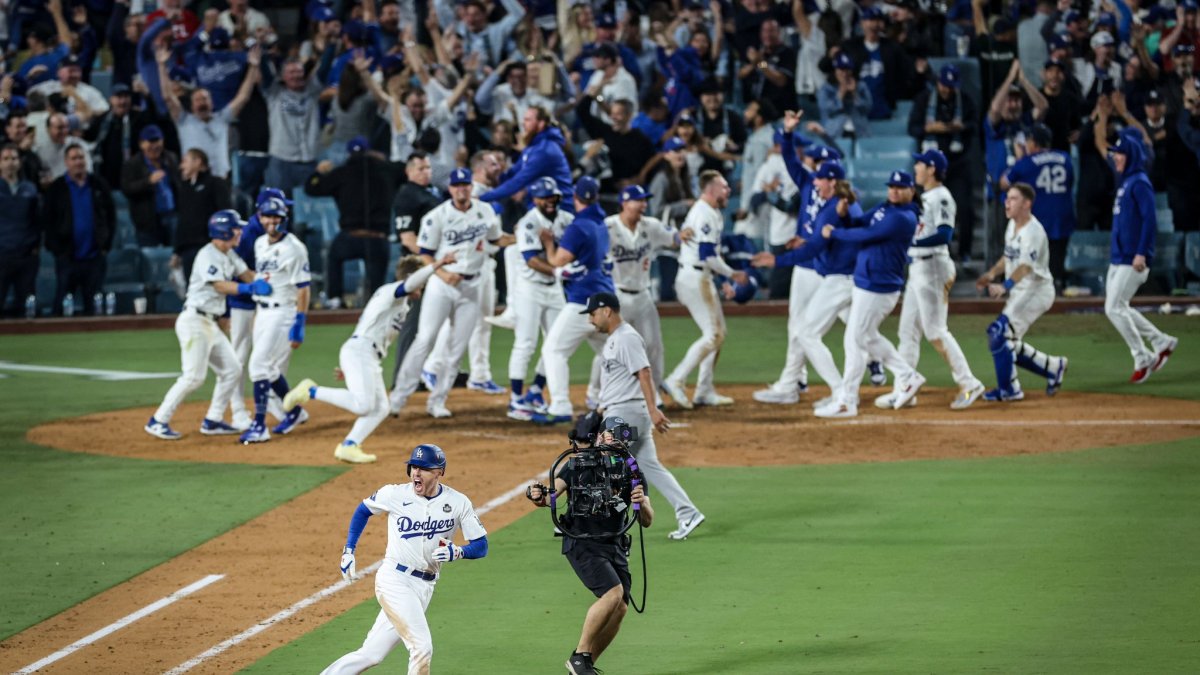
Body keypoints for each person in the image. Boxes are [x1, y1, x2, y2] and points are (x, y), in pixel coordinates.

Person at [321, 444, 488, 675]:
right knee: (422, 647)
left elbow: (481, 546)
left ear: (439, 472)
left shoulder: (458, 502)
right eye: (413, 467)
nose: (416, 474)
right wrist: (349, 550)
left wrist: (458, 552)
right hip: (394, 580)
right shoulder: (394, 494)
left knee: (371, 653)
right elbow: (363, 510)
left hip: (425, 585)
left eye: (423, 469)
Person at [282, 254, 456, 464]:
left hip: (366, 356)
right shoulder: (393, 291)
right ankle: (310, 390)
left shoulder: (400, 303)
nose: (423, 288)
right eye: (422, 283)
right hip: (361, 351)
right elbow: (410, 284)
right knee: (363, 405)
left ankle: (349, 445)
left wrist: (351, 369)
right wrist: (437, 265)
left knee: (382, 407)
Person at [526, 419, 654, 675]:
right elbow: (552, 495)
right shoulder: (577, 464)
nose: (613, 441)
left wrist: (642, 503)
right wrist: (537, 495)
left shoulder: (631, 470)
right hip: (582, 542)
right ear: (599, 436)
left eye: (618, 438)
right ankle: (580, 656)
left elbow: (646, 520)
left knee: (620, 608)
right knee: (612, 593)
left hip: (614, 543)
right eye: (608, 435)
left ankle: (583, 664)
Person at [389, 168, 508, 419]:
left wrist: (522, 238)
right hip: (441, 286)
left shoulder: (485, 211)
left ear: (471, 187)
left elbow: (496, 240)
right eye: (457, 186)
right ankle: (398, 399)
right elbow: (425, 253)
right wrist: (442, 274)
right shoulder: (436, 216)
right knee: (425, 339)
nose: (462, 189)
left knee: (457, 348)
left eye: (466, 184)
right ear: (450, 189)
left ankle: (437, 401)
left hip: (472, 286)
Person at [584, 291, 704, 540]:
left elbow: (644, 372)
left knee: (600, 461)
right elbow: (618, 381)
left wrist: (653, 408)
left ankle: (591, 523)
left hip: (625, 413)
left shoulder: (627, 338)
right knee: (650, 466)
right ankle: (688, 512)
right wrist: (599, 409)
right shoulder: (615, 339)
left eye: (593, 314)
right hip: (623, 409)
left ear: (607, 311)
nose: (590, 320)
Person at [144, 211, 270, 440]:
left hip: (211, 323)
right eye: (235, 229)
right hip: (195, 321)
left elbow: (247, 274)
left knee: (232, 369)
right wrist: (248, 290)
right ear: (223, 231)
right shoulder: (207, 255)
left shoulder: (230, 253)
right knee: (193, 377)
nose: (240, 232)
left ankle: (213, 420)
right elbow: (220, 286)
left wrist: (264, 282)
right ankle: (158, 420)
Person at [751, 160, 862, 410]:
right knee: (858, 336)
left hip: (842, 279)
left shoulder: (836, 208)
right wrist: (805, 240)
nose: (815, 182)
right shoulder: (836, 205)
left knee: (809, 333)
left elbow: (815, 248)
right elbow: (818, 242)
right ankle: (843, 390)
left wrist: (778, 260)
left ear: (832, 182)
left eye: (819, 179)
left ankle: (841, 393)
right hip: (840, 277)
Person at [814, 171, 925, 419]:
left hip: (879, 285)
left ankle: (848, 401)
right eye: (891, 186)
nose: (894, 191)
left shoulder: (904, 217)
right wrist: (844, 213)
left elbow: (867, 235)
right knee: (865, 337)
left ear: (911, 191)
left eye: (900, 187)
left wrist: (834, 233)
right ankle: (907, 376)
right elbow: (860, 224)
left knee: (855, 340)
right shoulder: (884, 208)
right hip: (867, 281)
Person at [888, 150, 986, 411]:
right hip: (919, 268)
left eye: (920, 163)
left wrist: (912, 241)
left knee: (935, 331)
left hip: (933, 267)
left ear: (931, 169)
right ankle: (904, 388)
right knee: (907, 331)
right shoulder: (926, 197)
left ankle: (969, 383)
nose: (916, 167)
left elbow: (945, 234)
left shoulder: (941, 196)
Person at [530, 176, 615, 424]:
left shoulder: (579, 226)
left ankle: (560, 405)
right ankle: (610, 402)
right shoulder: (601, 224)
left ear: (575, 198)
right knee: (608, 352)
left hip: (583, 301)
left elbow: (557, 260)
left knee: (553, 350)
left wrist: (548, 244)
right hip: (607, 299)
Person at [661, 170, 748, 410]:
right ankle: (676, 379)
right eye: (723, 187)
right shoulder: (705, 213)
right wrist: (733, 274)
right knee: (713, 335)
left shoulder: (710, 212)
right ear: (710, 190)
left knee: (718, 334)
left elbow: (708, 257)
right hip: (694, 277)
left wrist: (722, 281)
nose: (728, 191)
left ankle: (704, 390)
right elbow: (707, 255)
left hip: (699, 274)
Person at [974, 183, 1068, 402]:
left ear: (1027, 204)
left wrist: (1004, 286)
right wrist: (990, 274)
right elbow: (1008, 257)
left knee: (999, 334)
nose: (1007, 202)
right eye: (1007, 198)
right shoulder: (1012, 226)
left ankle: (1010, 390)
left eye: (1013, 198)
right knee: (1006, 341)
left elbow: (1025, 267)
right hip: (1022, 292)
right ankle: (1053, 367)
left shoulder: (1033, 231)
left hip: (1037, 291)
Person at [585, 186, 678, 401]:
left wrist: (682, 236)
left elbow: (673, 238)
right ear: (625, 203)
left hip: (643, 295)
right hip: (616, 295)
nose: (644, 205)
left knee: (653, 346)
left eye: (645, 200)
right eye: (639, 201)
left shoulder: (651, 226)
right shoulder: (607, 227)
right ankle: (595, 392)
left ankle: (652, 393)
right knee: (612, 347)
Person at [1103, 135, 1179, 384]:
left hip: (1133, 258)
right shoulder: (1126, 182)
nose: (1115, 157)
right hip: (1119, 257)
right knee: (1119, 307)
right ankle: (1161, 341)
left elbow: (1150, 220)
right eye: (1114, 153)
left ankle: (1142, 357)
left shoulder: (1139, 182)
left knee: (1114, 307)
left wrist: (1142, 252)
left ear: (1131, 155)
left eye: (1119, 153)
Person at [239, 196, 312, 444]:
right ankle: (294, 411)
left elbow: (303, 288)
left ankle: (259, 425)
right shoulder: (259, 243)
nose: (272, 221)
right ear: (260, 217)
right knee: (268, 369)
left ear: (284, 219)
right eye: (268, 216)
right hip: (263, 312)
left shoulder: (294, 248)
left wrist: (299, 323)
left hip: (283, 312)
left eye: (277, 217)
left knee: (257, 365)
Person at [505, 177, 574, 421]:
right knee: (526, 342)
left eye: (552, 196)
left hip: (554, 288)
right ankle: (515, 400)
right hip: (529, 288)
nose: (549, 201)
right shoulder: (528, 223)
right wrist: (558, 270)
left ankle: (535, 391)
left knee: (558, 341)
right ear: (535, 199)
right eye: (544, 197)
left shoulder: (567, 219)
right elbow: (531, 260)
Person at [305, 136, 396, 304]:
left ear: (348, 154)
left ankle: (335, 298)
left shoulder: (341, 173)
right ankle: (378, 303)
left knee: (334, 256)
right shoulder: (387, 170)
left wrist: (318, 172)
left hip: (351, 236)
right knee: (377, 293)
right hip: (378, 238)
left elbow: (311, 188)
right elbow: (406, 171)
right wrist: (384, 160)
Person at [157, 42, 260, 181]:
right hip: (193, 179)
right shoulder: (184, 121)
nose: (202, 103)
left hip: (220, 180)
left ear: (211, 103)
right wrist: (162, 66)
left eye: (205, 99)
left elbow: (243, 97)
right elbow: (168, 98)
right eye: (198, 100)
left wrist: (253, 66)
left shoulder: (222, 118)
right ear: (192, 105)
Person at [1000, 123, 1075, 289]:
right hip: (1063, 215)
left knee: (1033, 261)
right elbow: (1071, 180)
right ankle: (1057, 290)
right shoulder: (1065, 158)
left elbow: (1004, 183)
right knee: (1056, 263)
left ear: (1033, 142)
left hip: (1039, 217)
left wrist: (1019, 159)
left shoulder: (1026, 163)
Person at [43, 144, 115, 316]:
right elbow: (48, 221)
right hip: (67, 257)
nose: (78, 162)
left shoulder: (98, 185)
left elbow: (111, 217)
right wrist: (58, 250)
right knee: (61, 305)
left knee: (94, 308)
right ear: (66, 162)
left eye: (81, 157)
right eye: (74, 158)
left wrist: (105, 246)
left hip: (94, 257)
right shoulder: (56, 188)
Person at [173, 148, 233, 280]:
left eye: (185, 161)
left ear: (197, 162)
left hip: (210, 246)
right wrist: (177, 251)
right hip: (188, 250)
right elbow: (182, 220)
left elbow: (225, 214)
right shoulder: (185, 188)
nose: (181, 166)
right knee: (193, 293)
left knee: (215, 288)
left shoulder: (216, 183)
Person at [121, 124, 179, 248]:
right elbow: (127, 189)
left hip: (172, 216)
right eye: (150, 141)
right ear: (142, 144)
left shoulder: (171, 158)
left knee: (175, 257)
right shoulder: (132, 164)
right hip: (148, 221)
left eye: (157, 141)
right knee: (149, 259)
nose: (154, 146)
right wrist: (148, 181)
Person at [0, 144, 40, 318]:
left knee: (26, 304)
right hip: (2, 254)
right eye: (6, 159)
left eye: (14, 158)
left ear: (20, 162)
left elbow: (38, 220)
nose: (10, 163)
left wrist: (35, 245)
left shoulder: (29, 189)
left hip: (26, 255)